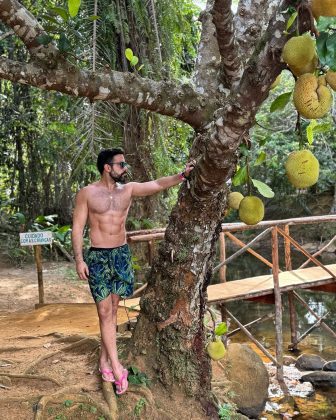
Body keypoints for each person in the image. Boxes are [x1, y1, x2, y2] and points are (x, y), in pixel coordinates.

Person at [72, 148, 195, 395]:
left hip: (121, 255)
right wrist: (79, 260)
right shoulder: (87, 193)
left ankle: (105, 361)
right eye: (121, 164)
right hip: (97, 257)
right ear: (107, 167)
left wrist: (182, 175)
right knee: (104, 310)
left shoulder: (127, 190)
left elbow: (157, 184)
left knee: (113, 309)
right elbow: (77, 228)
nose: (125, 168)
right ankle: (117, 369)